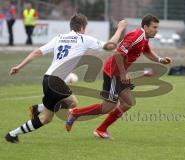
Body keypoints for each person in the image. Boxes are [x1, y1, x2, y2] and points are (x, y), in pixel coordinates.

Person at [5, 13, 127, 143]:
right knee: (73, 102)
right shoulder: (83, 39)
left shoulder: (59, 38)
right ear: (82, 27)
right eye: (85, 27)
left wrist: (19, 66)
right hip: (56, 81)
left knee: (46, 119)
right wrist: (120, 28)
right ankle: (39, 108)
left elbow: (36, 52)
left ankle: (12, 134)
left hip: (47, 79)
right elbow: (110, 46)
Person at [65, 14, 172, 139]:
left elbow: (147, 51)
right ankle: (76, 113)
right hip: (113, 72)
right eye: (154, 27)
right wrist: (122, 73)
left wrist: (160, 60)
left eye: (157, 27)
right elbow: (117, 54)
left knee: (127, 103)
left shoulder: (144, 38)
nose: (156, 30)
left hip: (119, 73)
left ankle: (101, 129)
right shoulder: (136, 36)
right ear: (146, 26)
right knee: (108, 107)